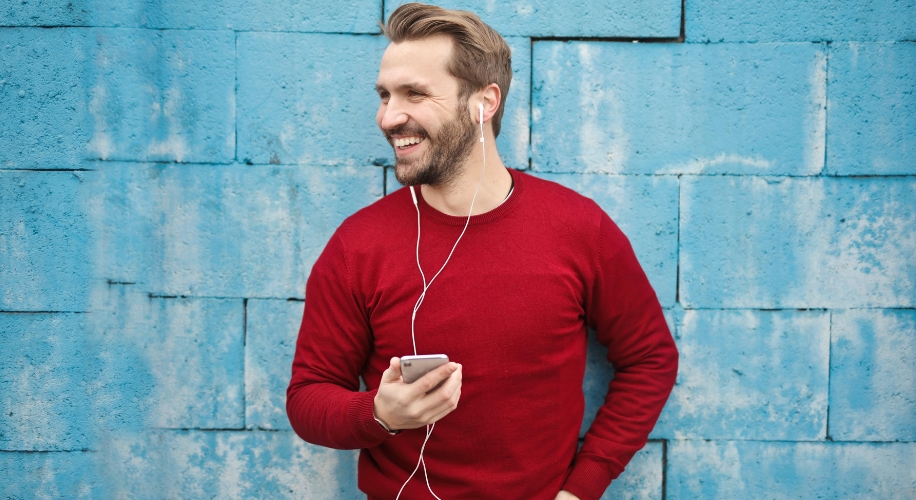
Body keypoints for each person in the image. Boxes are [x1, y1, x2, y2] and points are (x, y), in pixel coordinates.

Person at [286, 3, 678, 499]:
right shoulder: (357, 246)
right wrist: (379, 415)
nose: (389, 116)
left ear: (484, 102)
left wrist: (583, 486)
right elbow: (307, 398)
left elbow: (649, 358)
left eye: (415, 94)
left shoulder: (579, 228)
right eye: (385, 95)